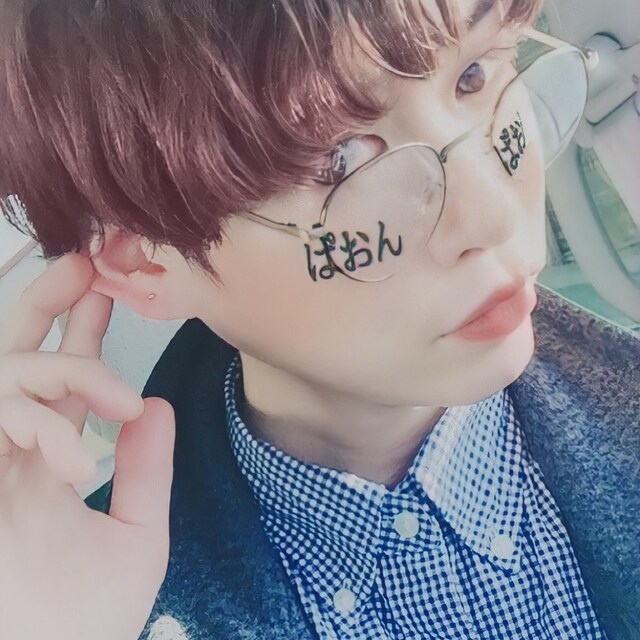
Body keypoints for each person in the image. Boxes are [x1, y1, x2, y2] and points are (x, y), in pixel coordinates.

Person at [0, 0, 638, 639]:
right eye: (341, 159)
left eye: (474, 75)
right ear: (146, 260)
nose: (492, 216)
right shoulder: (95, 603)